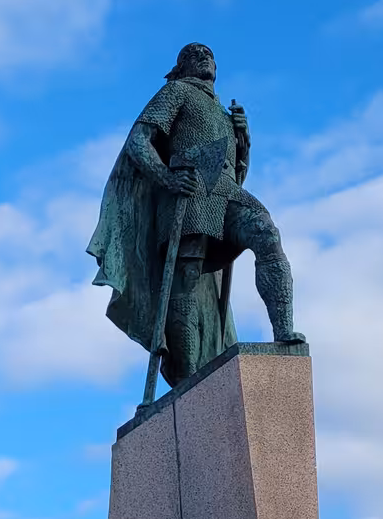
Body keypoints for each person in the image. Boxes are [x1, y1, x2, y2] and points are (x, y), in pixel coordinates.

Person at [88, 43, 305, 389]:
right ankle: (188, 378)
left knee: (267, 235)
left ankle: (284, 333)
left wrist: (243, 142)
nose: (205, 57)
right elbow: (138, 142)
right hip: (188, 194)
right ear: (181, 66)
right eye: (196, 54)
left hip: (224, 193)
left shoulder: (223, 111)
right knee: (186, 278)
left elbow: (235, 172)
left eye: (210, 55)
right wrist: (167, 177)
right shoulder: (176, 91)